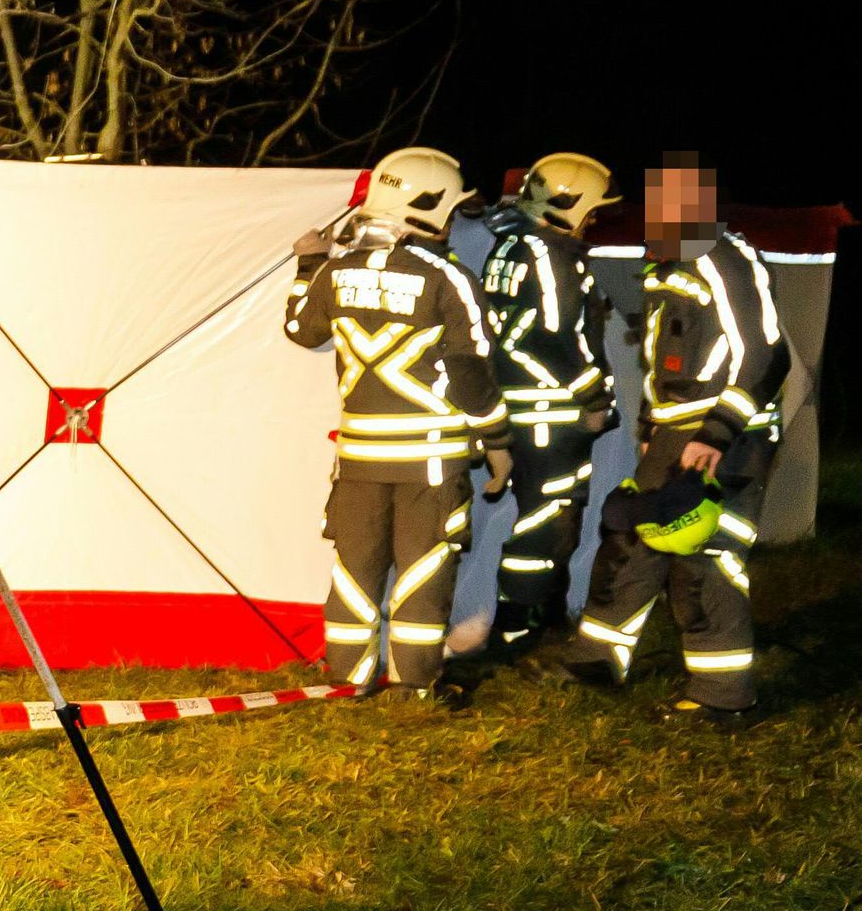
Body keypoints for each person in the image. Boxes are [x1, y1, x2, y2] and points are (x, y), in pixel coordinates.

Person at [565, 151, 789, 724]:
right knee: (633, 541)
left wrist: (717, 433)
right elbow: (657, 360)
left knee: (703, 559)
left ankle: (724, 698)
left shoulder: (725, 260)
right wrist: (648, 429)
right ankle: (596, 657)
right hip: (671, 432)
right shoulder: (665, 265)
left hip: (728, 439)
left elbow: (766, 355)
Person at [284, 146, 508, 701]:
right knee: (423, 572)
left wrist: (308, 264)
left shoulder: (335, 272)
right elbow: (470, 371)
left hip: (358, 461)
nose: (454, 222)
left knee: (354, 572)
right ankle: (413, 688)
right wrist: (498, 442)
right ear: (428, 207)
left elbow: (300, 330)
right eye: (451, 211)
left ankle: (347, 681)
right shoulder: (447, 279)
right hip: (430, 464)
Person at [477, 151, 616, 651]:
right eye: (593, 209)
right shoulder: (552, 254)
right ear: (567, 203)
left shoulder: (509, 246)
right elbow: (557, 336)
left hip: (522, 408)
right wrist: (594, 396)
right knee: (547, 523)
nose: (595, 220)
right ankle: (524, 630)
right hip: (552, 414)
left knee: (539, 519)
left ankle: (531, 620)